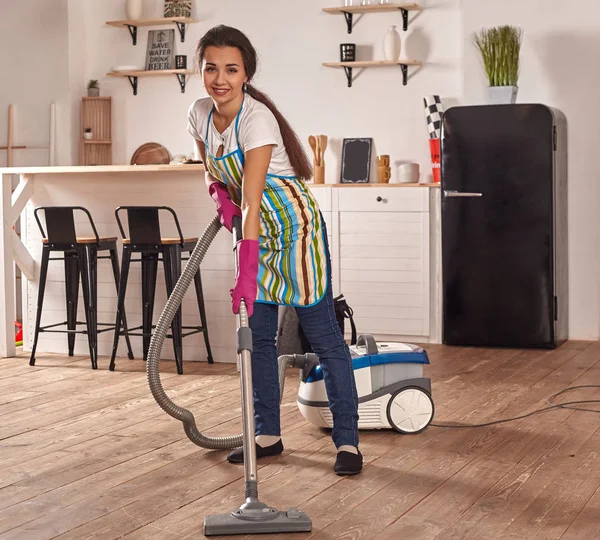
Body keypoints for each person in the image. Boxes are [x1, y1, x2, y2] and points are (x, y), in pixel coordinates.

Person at [187, 24, 362, 476]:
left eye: (231, 69)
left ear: (247, 74)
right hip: (252, 232)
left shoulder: (256, 118)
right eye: (211, 68)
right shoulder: (199, 112)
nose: (219, 79)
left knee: (323, 336)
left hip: (293, 229)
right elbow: (209, 170)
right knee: (258, 340)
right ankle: (266, 435)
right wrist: (215, 196)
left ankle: (347, 442)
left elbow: (252, 196)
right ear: (200, 70)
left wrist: (245, 271)